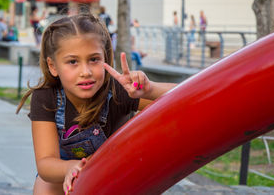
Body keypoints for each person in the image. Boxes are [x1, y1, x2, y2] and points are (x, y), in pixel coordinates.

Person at [16, 13, 176, 195]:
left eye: (94, 59)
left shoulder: (118, 91)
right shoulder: (46, 97)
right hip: (65, 169)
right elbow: (46, 162)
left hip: (116, 172)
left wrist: (150, 89)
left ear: (106, 59)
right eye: (73, 62)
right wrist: (72, 168)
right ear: (53, 66)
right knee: (45, 189)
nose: (86, 72)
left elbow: (185, 97)